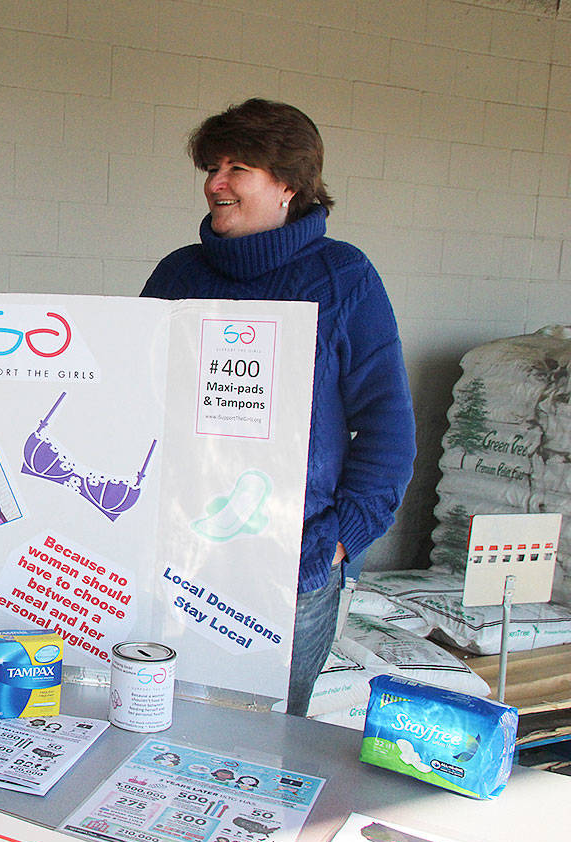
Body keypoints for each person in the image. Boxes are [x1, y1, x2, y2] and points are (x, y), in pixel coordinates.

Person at [141, 99, 416, 716]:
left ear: (290, 183)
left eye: (239, 167)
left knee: (261, 744)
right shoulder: (178, 275)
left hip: (293, 571)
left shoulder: (343, 278)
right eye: (213, 166)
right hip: (178, 561)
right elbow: (135, 400)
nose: (216, 182)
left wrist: (340, 540)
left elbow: (386, 429)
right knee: (158, 726)